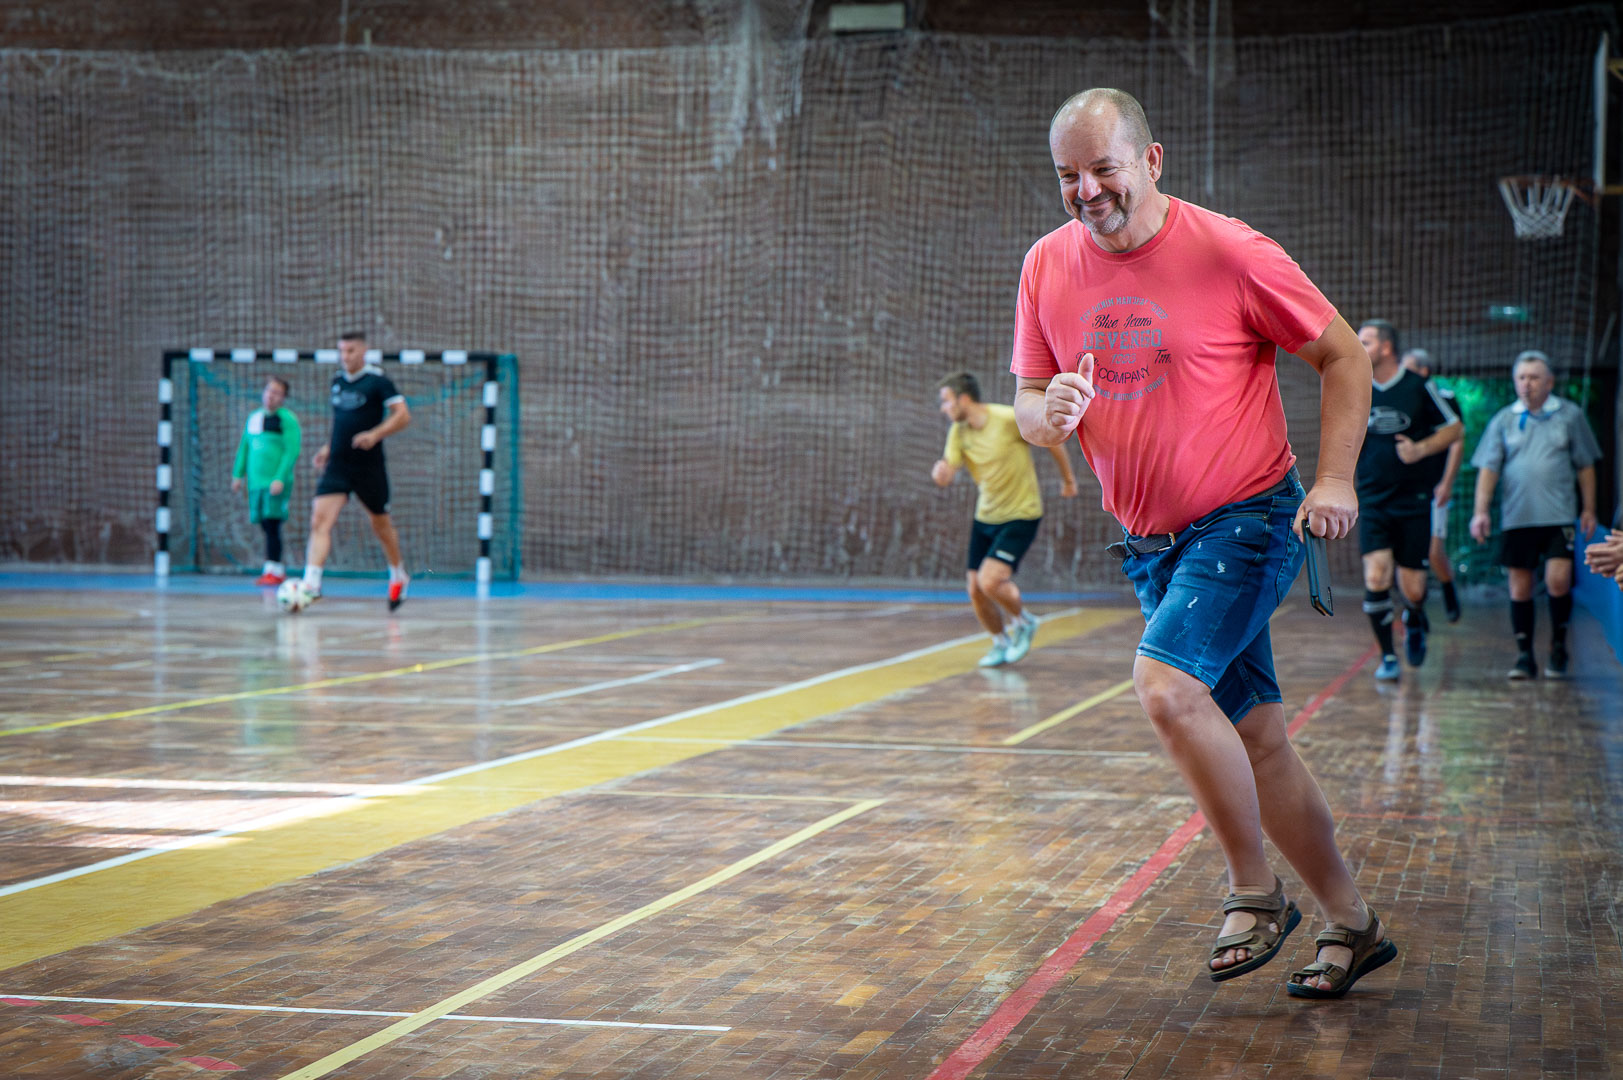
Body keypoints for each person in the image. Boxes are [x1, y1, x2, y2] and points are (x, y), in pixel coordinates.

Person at [1013, 87, 1395, 998]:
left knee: (1166, 687)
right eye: (1067, 175)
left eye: (1102, 168)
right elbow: (1026, 400)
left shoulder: (1230, 250)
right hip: (1149, 547)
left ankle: (1253, 891)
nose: (1085, 191)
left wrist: (1335, 478)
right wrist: (1045, 413)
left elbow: (1342, 355)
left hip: (1245, 518)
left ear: (1150, 161)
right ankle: (1351, 923)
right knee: (1256, 737)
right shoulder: (1044, 264)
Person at [1469, 350, 1601, 679]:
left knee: (1558, 580)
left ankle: (1558, 646)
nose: (1527, 384)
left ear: (1549, 382)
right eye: (1521, 377)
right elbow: (1489, 468)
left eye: (1534, 377)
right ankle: (1524, 656)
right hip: (1517, 517)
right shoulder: (1504, 419)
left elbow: (1585, 465)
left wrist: (1589, 509)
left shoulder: (1569, 415)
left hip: (1559, 516)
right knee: (1519, 588)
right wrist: (1480, 512)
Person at [932, 372, 1078, 667]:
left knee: (990, 581)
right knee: (975, 589)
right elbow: (949, 469)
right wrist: (941, 474)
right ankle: (1000, 642)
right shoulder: (958, 432)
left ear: (964, 399)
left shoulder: (1007, 419)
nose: (943, 408)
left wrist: (1068, 480)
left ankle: (1024, 621)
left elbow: (1051, 440)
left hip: (1021, 514)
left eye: (946, 401)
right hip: (986, 516)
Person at [1354, 322, 1463, 681]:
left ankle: (1414, 617)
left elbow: (1454, 429)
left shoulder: (1418, 386)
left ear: (1386, 347)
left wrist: (1421, 449)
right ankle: (1388, 657)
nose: (1358, 347)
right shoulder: (1355, 385)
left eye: (1365, 342)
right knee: (1376, 574)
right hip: (1372, 499)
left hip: (1414, 499)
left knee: (1413, 587)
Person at [301, 332, 412, 611]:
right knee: (319, 521)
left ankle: (398, 573)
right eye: (341, 351)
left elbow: (403, 415)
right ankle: (311, 584)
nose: (345, 356)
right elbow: (341, 421)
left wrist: (375, 435)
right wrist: (328, 448)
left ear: (363, 351)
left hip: (368, 466)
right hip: (338, 465)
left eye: (350, 350)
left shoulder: (378, 381)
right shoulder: (337, 382)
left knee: (380, 524)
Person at [1400, 348, 1463, 622]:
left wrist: (1446, 483)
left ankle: (1448, 588)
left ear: (1423, 371)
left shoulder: (1443, 398)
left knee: (1433, 551)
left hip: (1433, 488)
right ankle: (1415, 614)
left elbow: (1457, 440)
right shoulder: (1400, 399)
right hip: (1403, 491)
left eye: (1408, 369)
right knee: (1403, 555)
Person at [231, 376, 302, 586]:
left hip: (275, 483)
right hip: (256, 483)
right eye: (269, 391)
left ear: (283, 398)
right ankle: (272, 567)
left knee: (272, 524)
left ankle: (274, 569)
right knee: (263, 523)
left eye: (276, 393)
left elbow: (292, 450)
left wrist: (279, 477)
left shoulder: (286, 419)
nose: (271, 396)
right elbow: (244, 447)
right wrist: (237, 474)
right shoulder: (254, 418)